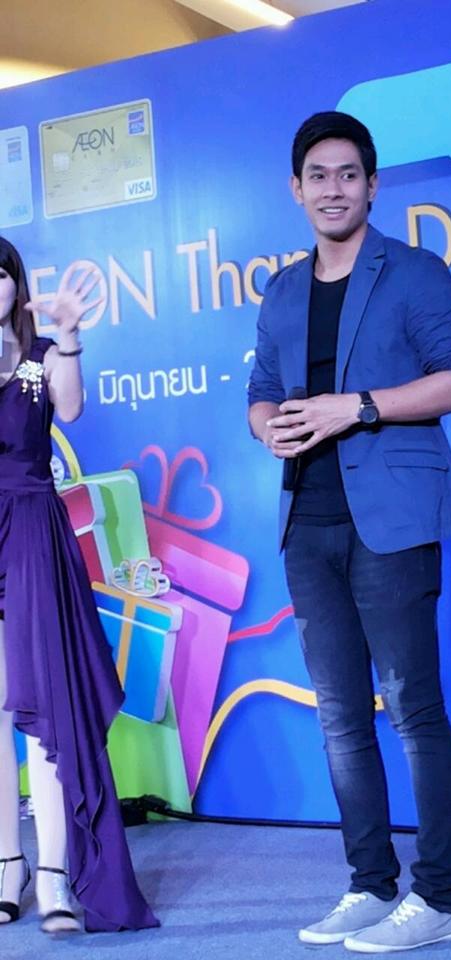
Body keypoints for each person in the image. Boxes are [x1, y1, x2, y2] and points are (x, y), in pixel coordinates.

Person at [248, 111, 451, 953]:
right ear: (296, 189)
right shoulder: (282, 290)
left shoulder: (414, 272)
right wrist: (269, 427)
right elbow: (260, 390)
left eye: (348, 174)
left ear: (373, 185)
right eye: (318, 175)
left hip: (391, 521)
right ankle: (370, 882)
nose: (334, 189)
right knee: (342, 718)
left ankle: (439, 898)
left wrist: (357, 408)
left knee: (414, 711)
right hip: (306, 523)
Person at [0, 237, 158, 934]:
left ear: (16, 283)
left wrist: (67, 335)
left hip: (33, 530)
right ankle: (7, 867)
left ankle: (54, 875)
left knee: (41, 706)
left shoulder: (41, 358)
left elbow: (70, 408)